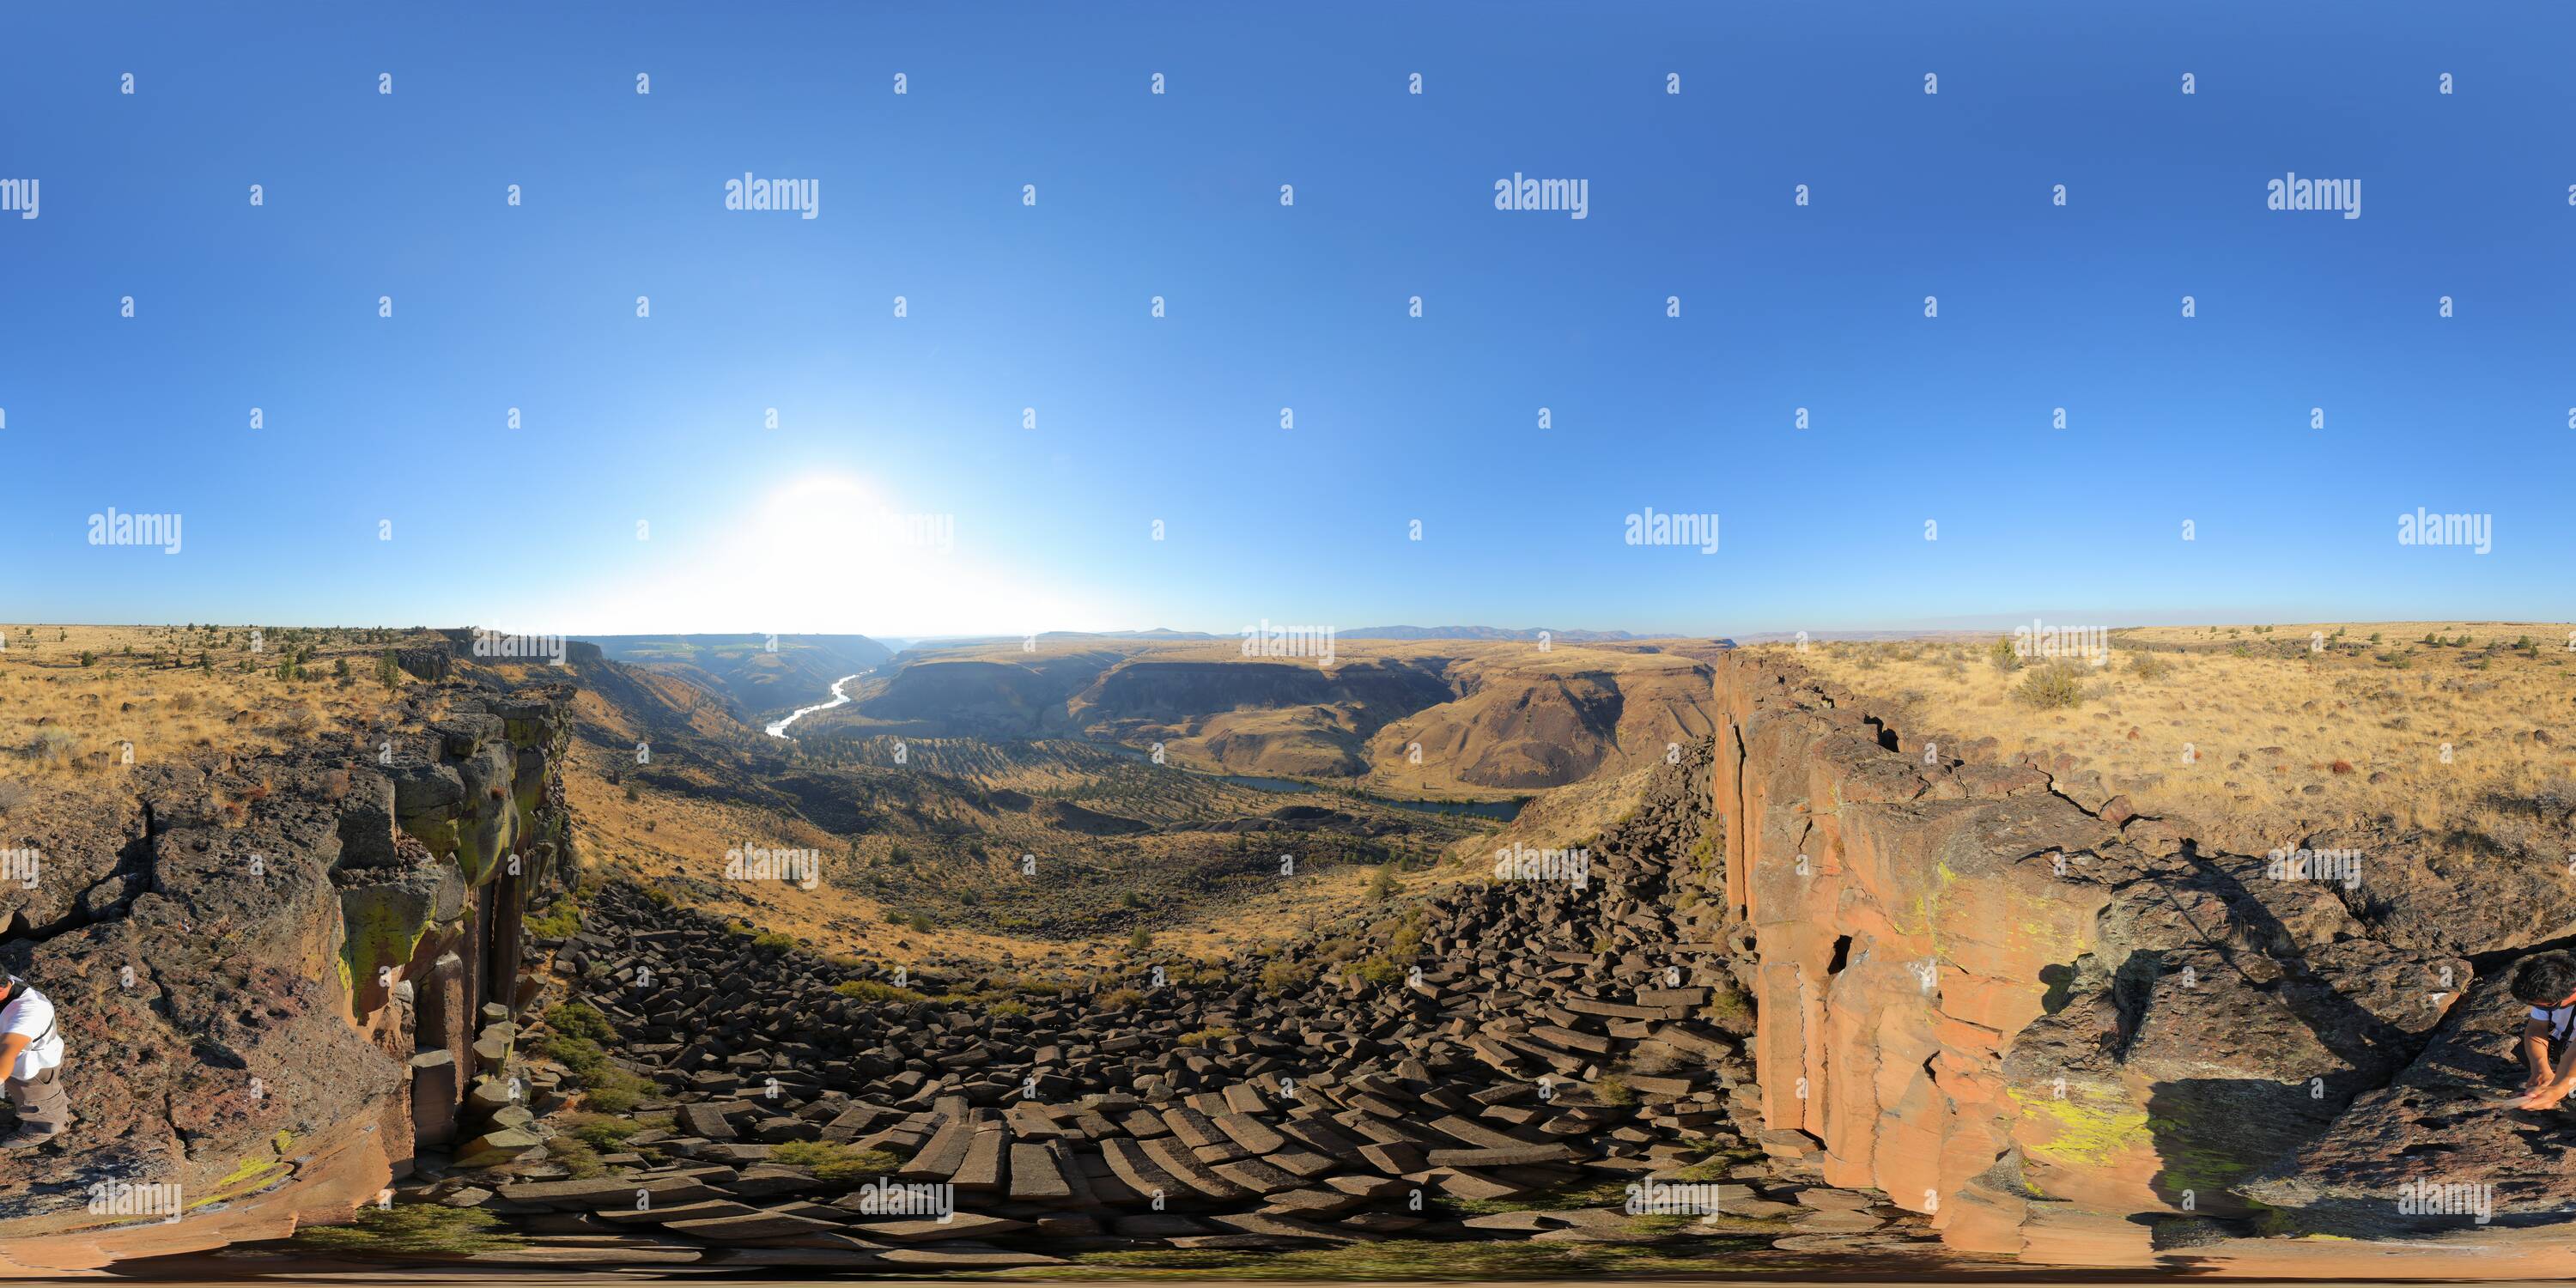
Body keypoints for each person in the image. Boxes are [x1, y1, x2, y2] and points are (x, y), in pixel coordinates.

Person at [2506, 951, 2576, 1112]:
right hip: (2562, 1048)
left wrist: (2558, 1089)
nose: (2539, 1008)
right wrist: (2540, 1068)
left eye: (2546, 1005)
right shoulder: (2550, 991)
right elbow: (2536, 1028)